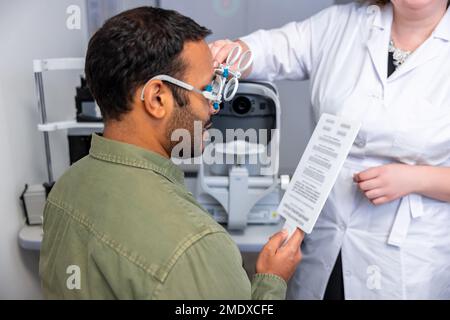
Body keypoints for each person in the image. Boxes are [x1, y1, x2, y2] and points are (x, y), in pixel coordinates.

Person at [39, 6, 304, 300]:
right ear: (157, 98)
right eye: (206, 89)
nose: (214, 106)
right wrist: (272, 280)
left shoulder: (65, 188)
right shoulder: (194, 245)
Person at [210, 0, 450, 299]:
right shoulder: (342, 23)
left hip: (410, 256)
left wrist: (417, 179)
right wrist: (234, 53)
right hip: (325, 234)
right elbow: (272, 49)